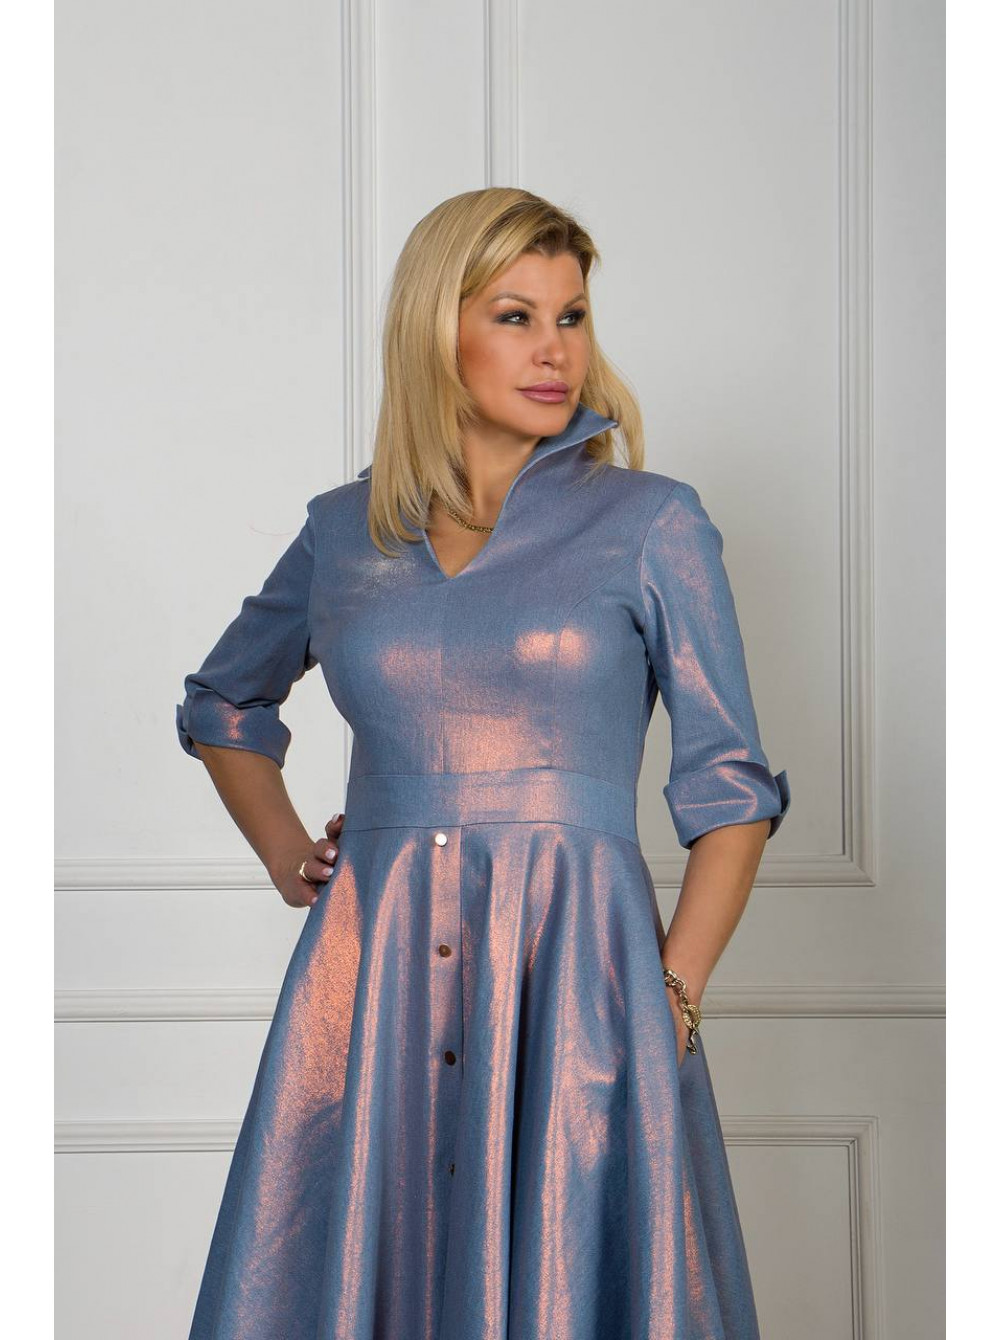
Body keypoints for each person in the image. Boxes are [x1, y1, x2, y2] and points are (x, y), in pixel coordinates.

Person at [175, 186, 790, 1340]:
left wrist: (671, 991)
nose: (554, 349)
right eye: (516, 316)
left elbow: (732, 788)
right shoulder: (343, 532)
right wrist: (286, 854)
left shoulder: (652, 523)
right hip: (371, 987)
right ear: (435, 329)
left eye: (571, 316)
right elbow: (224, 699)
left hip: (582, 981)